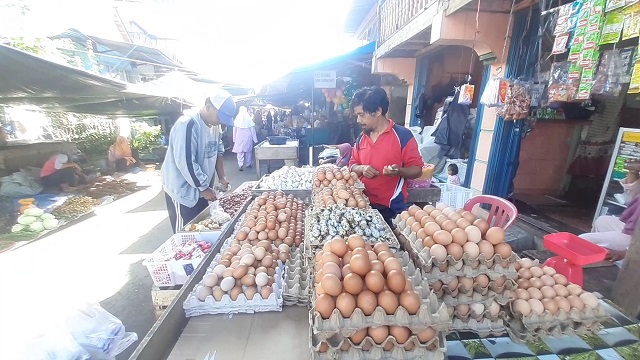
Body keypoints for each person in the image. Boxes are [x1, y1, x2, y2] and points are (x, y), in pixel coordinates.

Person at [161, 89, 235, 233]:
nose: (220, 121)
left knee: (201, 229)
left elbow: (218, 151)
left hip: (201, 189)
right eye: (219, 116)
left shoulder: (215, 126)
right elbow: (186, 162)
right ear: (208, 107)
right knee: (185, 232)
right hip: (183, 191)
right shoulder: (188, 125)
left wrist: (221, 177)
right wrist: (204, 188)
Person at [348, 87, 424, 224]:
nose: (358, 120)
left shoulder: (402, 136)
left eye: (361, 114)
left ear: (378, 111)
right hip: (363, 205)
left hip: (392, 207)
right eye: (357, 115)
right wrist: (362, 168)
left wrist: (399, 171)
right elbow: (352, 166)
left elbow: (417, 169)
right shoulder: (361, 138)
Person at [580, 196, 640, 262]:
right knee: (602, 220)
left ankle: (626, 261)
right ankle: (600, 254)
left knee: (583, 239)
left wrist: (624, 253)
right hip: (635, 231)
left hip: (636, 241)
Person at [232, 106, 258, 171]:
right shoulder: (249, 119)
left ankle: (240, 165)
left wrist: (234, 139)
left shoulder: (237, 119)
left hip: (239, 138)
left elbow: (234, 130)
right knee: (248, 151)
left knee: (239, 152)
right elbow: (253, 131)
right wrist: (255, 140)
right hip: (248, 138)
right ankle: (248, 164)